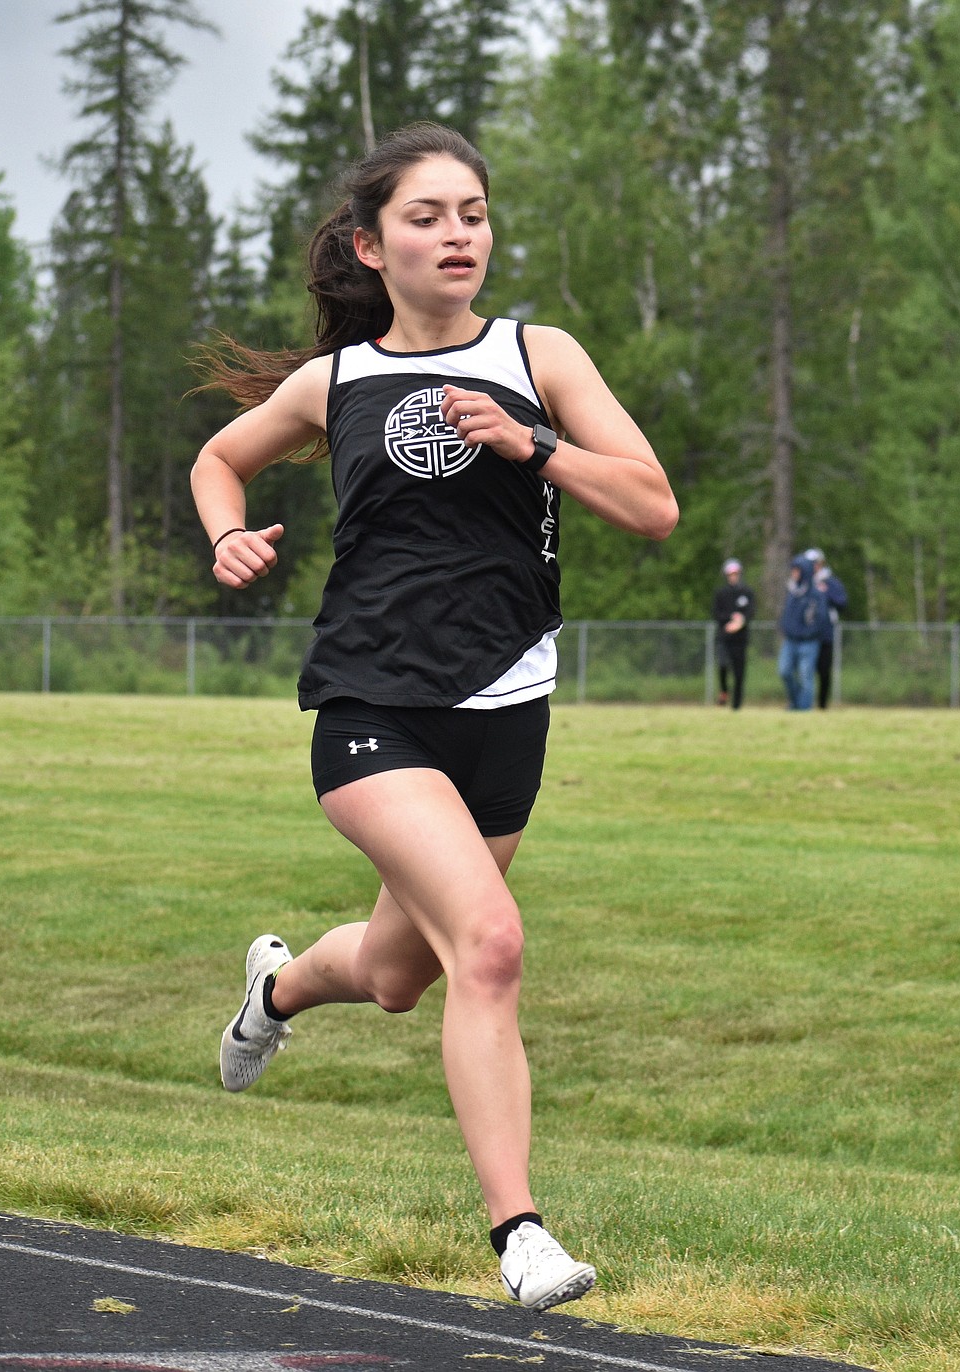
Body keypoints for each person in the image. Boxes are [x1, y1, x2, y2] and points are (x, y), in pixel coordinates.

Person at [189, 123, 678, 1313]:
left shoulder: (540, 354)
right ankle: (520, 1233)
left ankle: (279, 989)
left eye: (472, 212)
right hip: (371, 710)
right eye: (427, 216)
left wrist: (533, 442)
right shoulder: (336, 381)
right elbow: (219, 455)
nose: (457, 233)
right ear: (372, 244)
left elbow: (654, 507)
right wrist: (227, 533)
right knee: (493, 943)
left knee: (405, 974)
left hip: (505, 711)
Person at [778, 553, 827, 710]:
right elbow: (786, 615)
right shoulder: (792, 592)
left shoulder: (816, 594)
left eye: (797, 570)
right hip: (791, 640)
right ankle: (796, 702)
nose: (794, 573)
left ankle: (804, 709)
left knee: (806, 676)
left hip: (809, 641)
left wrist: (809, 632)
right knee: (784, 671)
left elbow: (821, 618)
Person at [804, 548, 847, 710]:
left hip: (825, 634)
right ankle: (804, 703)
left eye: (816, 564)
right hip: (806, 634)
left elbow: (842, 603)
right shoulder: (803, 583)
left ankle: (822, 704)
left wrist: (825, 592)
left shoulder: (830, 583)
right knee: (804, 669)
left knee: (823, 670)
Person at [711, 558, 755, 709]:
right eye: (730, 574)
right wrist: (730, 620)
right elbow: (716, 613)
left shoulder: (747, 592)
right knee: (723, 664)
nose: (733, 576)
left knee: (739, 672)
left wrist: (740, 621)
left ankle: (736, 706)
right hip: (725, 636)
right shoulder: (721, 593)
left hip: (740, 639)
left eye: (735, 574)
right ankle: (724, 691)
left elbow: (750, 612)